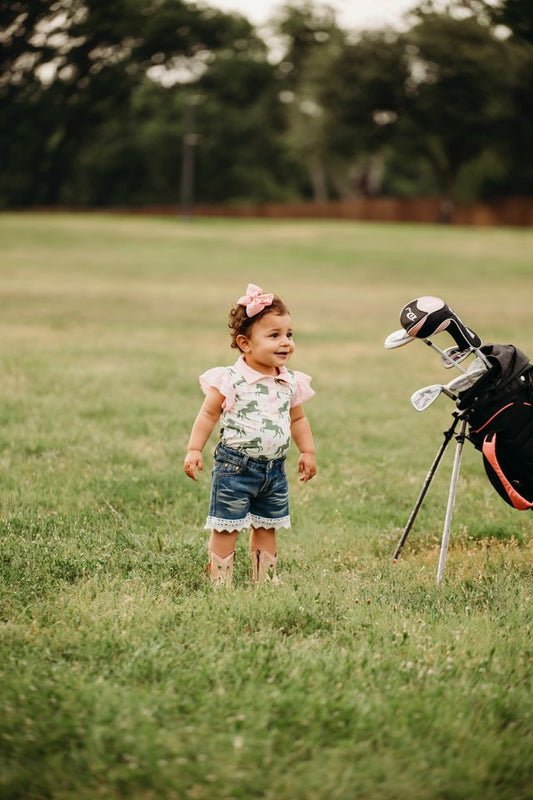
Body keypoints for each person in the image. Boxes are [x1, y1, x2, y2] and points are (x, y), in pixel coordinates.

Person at [184, 283, 317, 587]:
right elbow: (208, 414)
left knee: (267, 525)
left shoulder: (289, 381)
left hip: (274, 470)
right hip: (235, 467)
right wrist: (194, 449)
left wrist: (307, 451)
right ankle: (220, 579)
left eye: (289, 334)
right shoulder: (231, 379)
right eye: (274, 335)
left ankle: (265, 578)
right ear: (245, 343)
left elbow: (298, 418)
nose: (285, 343)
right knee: (227, 527)